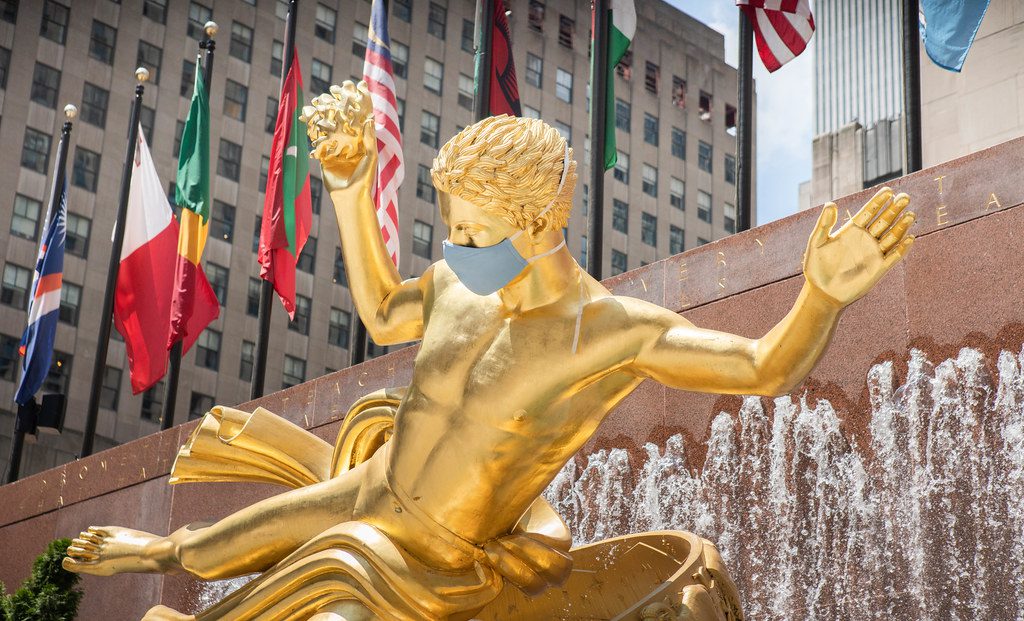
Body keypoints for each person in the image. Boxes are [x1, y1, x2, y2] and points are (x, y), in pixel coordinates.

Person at [64, 81, 915, 621]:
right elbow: (381, 309)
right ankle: (157, 553)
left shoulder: (609, 332)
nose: (458, 247)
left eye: (475, 231)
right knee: (210, 548)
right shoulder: (455, 287)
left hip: (432, 568)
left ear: (538, 221)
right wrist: (351, 188)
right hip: (366, 498)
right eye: (454, 229)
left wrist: (821, 296)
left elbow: (763, 366)